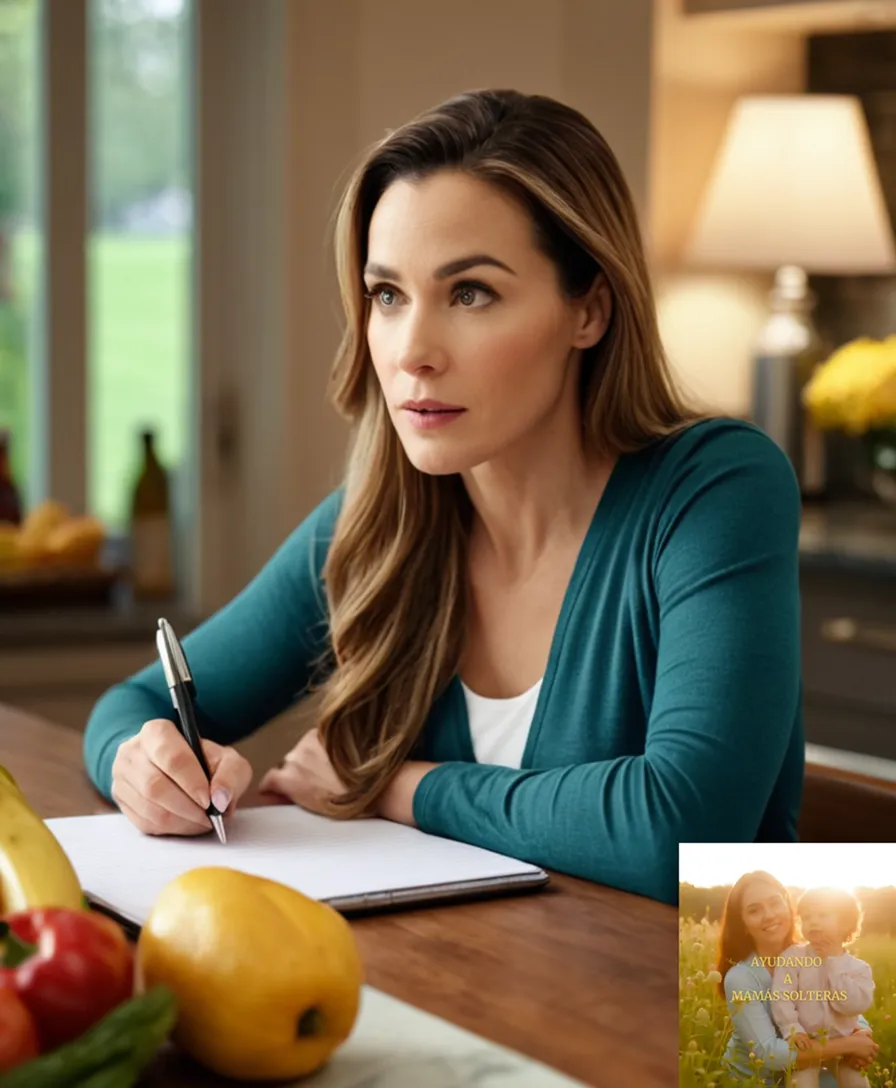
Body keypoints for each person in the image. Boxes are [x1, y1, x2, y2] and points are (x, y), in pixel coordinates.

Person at [83, 88, 806, 906]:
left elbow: (678, 826)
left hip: (730, 1021)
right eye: (387, 295)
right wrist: (140, 764)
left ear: (590, 310)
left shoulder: (716, 491)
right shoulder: (376, 527)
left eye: (470, 293)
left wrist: (393, 786)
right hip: (488, 995)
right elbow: (136, 701)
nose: (412, 351)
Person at [717, 872, 878, 1085]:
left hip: (808, 1065)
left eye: (775, 903)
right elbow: (768, 1054)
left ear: (788, 906)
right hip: (757, 1079)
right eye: (754, 910)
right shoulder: (740, 978)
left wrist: (863, 1033)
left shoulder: (814, 953)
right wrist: (849, 1045)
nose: (769, 915)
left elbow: (837, 1002)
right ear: (743, 924)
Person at [770, 887, 874, 1088]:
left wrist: (833, 962)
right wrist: (792, 1030)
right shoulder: (792, 958)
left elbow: (852, 1006)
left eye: (823, 915)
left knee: (857, 1083)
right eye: (807, 917)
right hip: (808, 1044)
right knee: (802, 1083)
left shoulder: (859, 969)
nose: (813, 922)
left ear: (845, 923)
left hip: (845, 1048)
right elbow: (782, 997)